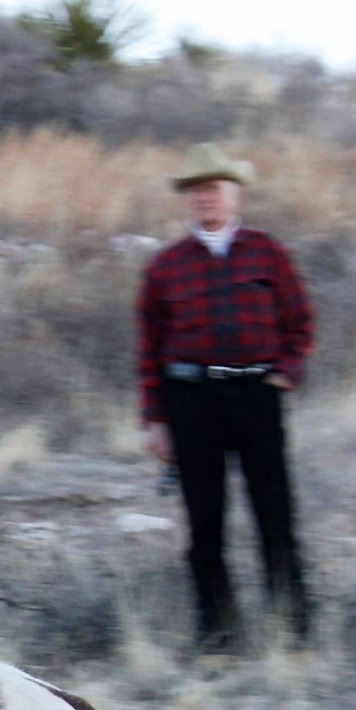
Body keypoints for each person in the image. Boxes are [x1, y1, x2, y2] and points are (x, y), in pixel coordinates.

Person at [137, 144, 315, 649]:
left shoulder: (267, 252)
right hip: (190, 399)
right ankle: (220, 638)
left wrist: (286, 372)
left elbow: (300, 321)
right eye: (196, 191)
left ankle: (296, 632)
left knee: (274, 515)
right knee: (205, 523)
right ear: (188, 199)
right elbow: (149, 344)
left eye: (214, 188)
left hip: (257, 394)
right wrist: (155, 418)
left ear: (235, 193)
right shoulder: (166, 265)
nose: (205, 199)